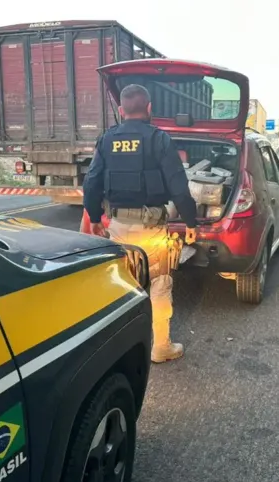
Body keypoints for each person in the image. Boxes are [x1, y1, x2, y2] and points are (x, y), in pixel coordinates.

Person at [83, 84, 198, 363]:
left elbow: (91, 183)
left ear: (121, 111)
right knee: (159, 282)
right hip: (152, 229)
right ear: (149, 109)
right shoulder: (159, 139)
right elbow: (179, 187)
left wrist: (96, 219)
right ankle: (161, 347)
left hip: (118, 227)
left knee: (120, 284)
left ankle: (117, 350)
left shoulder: (107, 139)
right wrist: (191, 222)